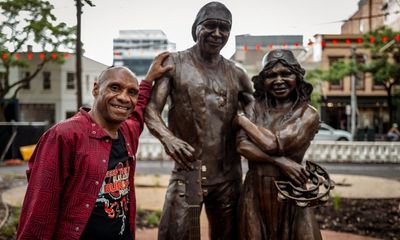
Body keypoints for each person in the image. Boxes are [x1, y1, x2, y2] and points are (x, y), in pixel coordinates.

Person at [16, 52, 172, 240]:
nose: (124, 98)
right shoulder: (64, 136)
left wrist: (148, 79)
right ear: (96, 89)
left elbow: (138, 111)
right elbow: (40, 209)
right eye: (115, 88)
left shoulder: (127, 132)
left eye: (131, 92)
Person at [144, 2, 254, 239]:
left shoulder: (237, 73)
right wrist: (168, 138)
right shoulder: (174, 64)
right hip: (188, 172)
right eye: (210, 26)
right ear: (196, 28)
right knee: (175, 234)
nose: (217, 34)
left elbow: (258, 113)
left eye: (224, 28)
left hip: (228, 176)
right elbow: (151, 110)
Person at [235, 49, 322, 239]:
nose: (279, 80)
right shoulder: (256, 108)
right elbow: (242, 145)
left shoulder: (308, 114)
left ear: (297, 77)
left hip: (291, 191)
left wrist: (241, 120)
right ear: (263, 81)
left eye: (286, 74)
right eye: (271, 75)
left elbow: (272, 144)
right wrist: (280, 162)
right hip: (255, 190)